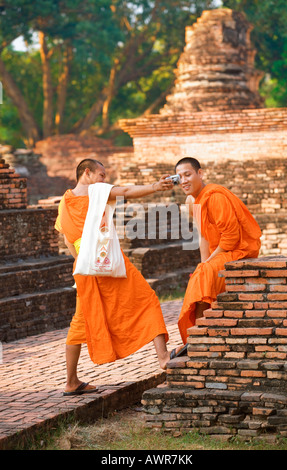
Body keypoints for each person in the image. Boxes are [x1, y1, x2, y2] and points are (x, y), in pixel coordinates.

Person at [55, 158, 183, 396]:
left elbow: (67, 240)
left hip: (84, 266)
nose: (105, 180)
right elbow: (126, 191)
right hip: (106, 259)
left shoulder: (65, 201)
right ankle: (163, 357)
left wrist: (82, 263)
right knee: (146, 299)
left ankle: (71, 381)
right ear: (87, 172)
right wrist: (155, 187)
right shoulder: (98, 191)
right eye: (102, 174)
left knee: (80, 323)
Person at [175, 157, 262, 346]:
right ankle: (197, 335)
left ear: (200, 173)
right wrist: (205, 263)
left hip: (239, 250)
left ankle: (196, 336)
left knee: (204, 274)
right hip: (220, 252)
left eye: (188, 175)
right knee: (202, 273)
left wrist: (209, 265)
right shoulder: (191, 201)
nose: (183, 181)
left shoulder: (215, 196)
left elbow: (231, 238)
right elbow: (203, 236)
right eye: (179, 177)